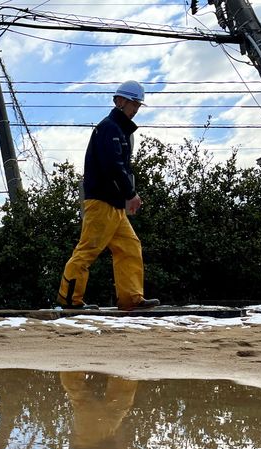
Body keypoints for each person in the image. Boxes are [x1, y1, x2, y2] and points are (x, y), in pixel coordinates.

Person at [57, 80, 159, 311]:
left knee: (129, 247)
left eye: (138, 105)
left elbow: (118, 167)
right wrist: (131, 193)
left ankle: (131, 299)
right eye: (134, 103)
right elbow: (113, 165)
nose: (136, 109)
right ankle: (69, 300)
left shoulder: (118, 129)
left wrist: (125, 196)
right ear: (119, 101)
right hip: (102, 202)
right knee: (88, 250)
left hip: (113, 204)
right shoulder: (109, 128)